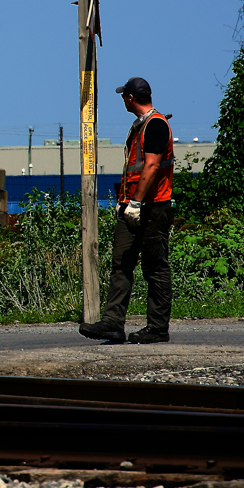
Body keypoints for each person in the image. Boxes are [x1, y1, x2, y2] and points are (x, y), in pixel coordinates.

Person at [79, 77, 175, 345]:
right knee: (121, 263)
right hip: (132, 207)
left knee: (155, 268)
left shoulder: (155, 125)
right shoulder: (141, 126)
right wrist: (127, 204)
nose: (123, 100)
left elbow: (152, 166)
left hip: (153, 207)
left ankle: (157, 328)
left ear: (130, 99)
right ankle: (112, 323)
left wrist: (136, 203)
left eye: (124, 96)